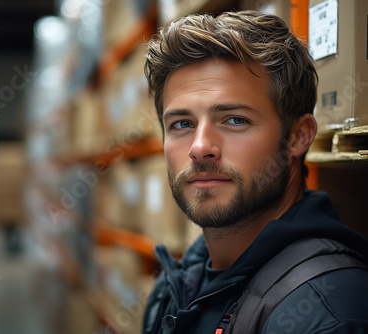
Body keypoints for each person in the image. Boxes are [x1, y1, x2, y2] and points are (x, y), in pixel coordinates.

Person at [142, 10, 368, 334]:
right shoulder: (174, 286)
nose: (200, 146)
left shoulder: (326, 314)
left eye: (235, 120)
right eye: (182, 124)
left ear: (298, 136)